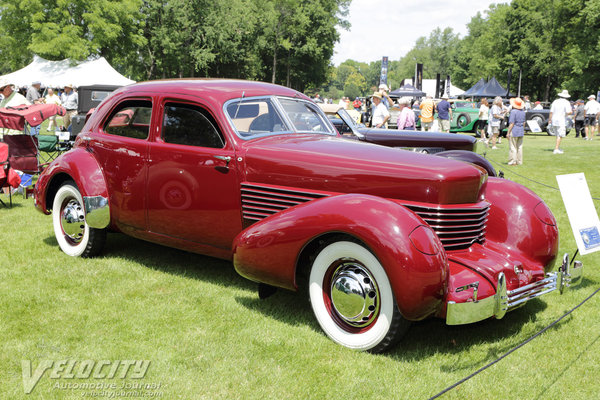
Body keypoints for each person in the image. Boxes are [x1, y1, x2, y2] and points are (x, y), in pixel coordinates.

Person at [549, 89, 572, 154]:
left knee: (557, 135)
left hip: (554, 119)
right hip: (561, 120)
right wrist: (570, 112)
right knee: (560, 135)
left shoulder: (555, 101)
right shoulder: (566, 102)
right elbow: (569, 112)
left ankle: (557, 147)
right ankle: (556, 149)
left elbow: (551, 112)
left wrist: (550, 120)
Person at [507, 97, 526, 165]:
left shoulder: (513, 112)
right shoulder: (523, 112)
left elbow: (512, 123)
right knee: (519, 147)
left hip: (514, 130)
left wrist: (508, 132)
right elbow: (524, 122)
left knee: (513, 147)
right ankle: (519, 161)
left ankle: (513, 161)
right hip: (521, 130)